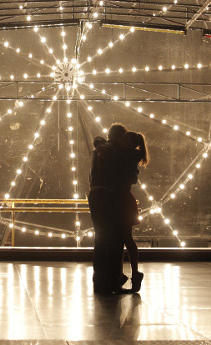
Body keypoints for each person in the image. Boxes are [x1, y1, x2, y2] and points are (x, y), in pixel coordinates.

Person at [88, 123, 130, 294]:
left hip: (95, 196)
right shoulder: (116, 153)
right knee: (115, 239)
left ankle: (99, 281)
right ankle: (113, 281)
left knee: (100, 239)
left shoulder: (98, 151)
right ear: (120, 137)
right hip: (109, 197)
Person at [120, 131, 149, 293]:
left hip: (122, 200)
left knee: (124, 238)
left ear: (130, 143)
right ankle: (134, 273)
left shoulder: (125, 156)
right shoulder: (134, 156)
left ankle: (127, 274)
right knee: (127, 239)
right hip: (126, 200)